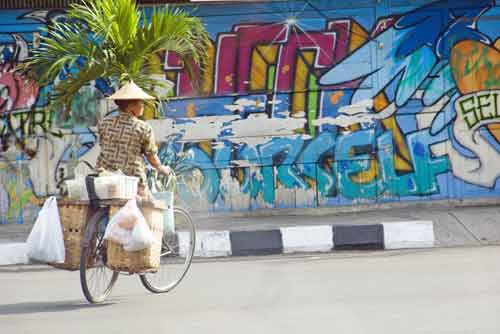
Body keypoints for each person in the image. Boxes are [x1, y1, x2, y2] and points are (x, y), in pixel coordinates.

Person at [96, 81, 171, 199]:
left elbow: (103, 144)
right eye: (140, 102)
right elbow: (151, 155)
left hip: (104, 179)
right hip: (132, 181)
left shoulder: (104, 123)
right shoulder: (143, 128)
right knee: (150, 208)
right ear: (131, 105)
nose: (143, 105)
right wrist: (161, 168)